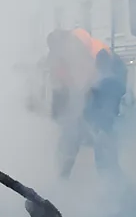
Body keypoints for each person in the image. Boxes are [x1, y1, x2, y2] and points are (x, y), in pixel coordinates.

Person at [45, 28, 127, 179]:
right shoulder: (65, 56)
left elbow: (109, 84)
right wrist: (60, 112)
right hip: (85, 104)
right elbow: (62, 86)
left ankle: (117, 192)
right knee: (68, 142)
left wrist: (105, 113)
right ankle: (61, 181)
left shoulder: (98, 53)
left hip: (103, 105)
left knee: (104, 152)